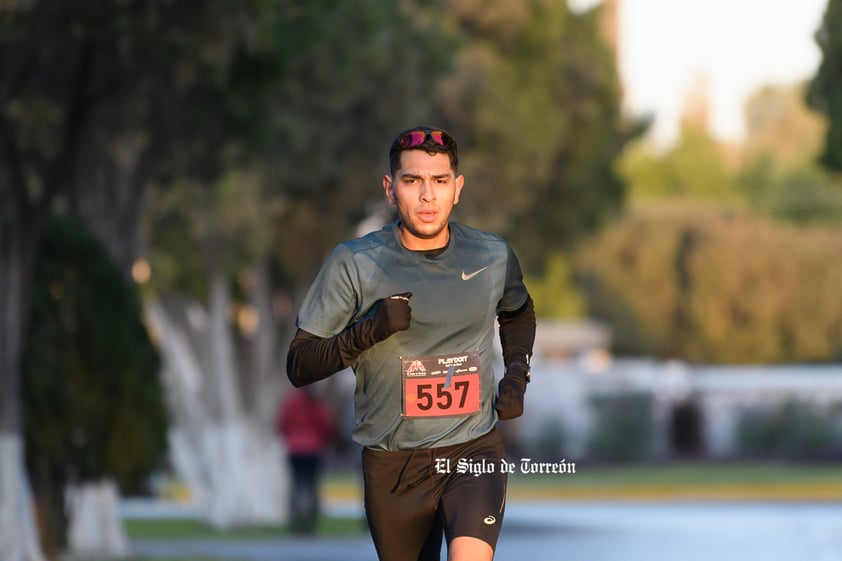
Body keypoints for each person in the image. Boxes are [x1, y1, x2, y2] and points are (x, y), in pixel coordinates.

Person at [286, 126, 536, 561]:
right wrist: (369, 330)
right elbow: (299, 364)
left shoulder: (492, 256)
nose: (427, 196)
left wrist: (517, 373)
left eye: (439, 181)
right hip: (393, 463)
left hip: (471, 448)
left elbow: (518, 311)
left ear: (456, 189)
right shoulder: (356, 263)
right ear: (389, 188)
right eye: (412, 180)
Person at [277, 386, 335, 534]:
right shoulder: (318, 404)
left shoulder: (292, 402)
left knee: (296, 485)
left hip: (295, 449)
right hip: (314, 449)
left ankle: (296, 523)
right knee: (312, 486)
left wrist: (291, 437)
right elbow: (326, 426)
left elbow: (282, 423)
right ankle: (311, 524)